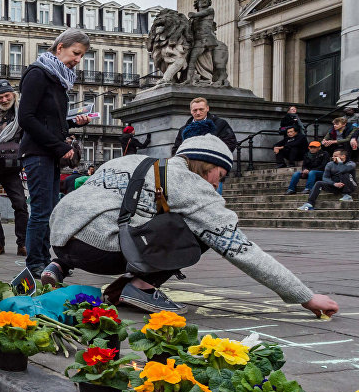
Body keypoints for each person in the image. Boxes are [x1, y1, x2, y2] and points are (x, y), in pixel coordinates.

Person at [40, 134, 338, 318]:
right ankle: (141, 286)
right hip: (100, 250)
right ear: (205, 165)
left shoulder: (131, 160)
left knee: (131, 214)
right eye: (219, 175)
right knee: (207, 232)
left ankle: (57, 268)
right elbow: (241, 249)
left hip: (61, 240)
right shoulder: (188, 183)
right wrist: (305, 296)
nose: (216, 183)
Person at [18, 29, 92, 276]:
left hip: (48, 153)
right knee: (40, 210)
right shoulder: (38, 74)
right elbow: (26, 118)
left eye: (81, 56)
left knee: (49, 209)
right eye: (76, 53)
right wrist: (61, 146)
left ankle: (43, 259)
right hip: (37, 153)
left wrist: (72, 124)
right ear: (59, 47)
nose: (78, 60)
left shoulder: (58, 80)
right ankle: (34, 264)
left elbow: (48, 120)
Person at [0, 79, 29, 256]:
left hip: (11, 168)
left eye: (7, 95)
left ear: (13, 95)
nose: (3, 99)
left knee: (20, 205)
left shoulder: (22, 116)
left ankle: (22, 243)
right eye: (0, 97)